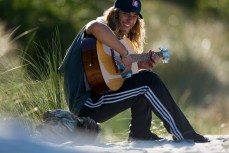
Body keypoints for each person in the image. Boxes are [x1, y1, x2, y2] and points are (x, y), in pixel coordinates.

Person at [59, 0, 210, 143]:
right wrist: (125, 53)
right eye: (126, 14)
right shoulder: (99, 26)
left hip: (99, 95)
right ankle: (185, 134)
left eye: (134, 16)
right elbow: (95, 27)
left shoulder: (112, 42)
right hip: (87, 104)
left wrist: (141, 65)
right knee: (148, 82)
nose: (130, 20)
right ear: (115, 13)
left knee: (145, 78)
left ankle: (140, 134)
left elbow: (112, 76)